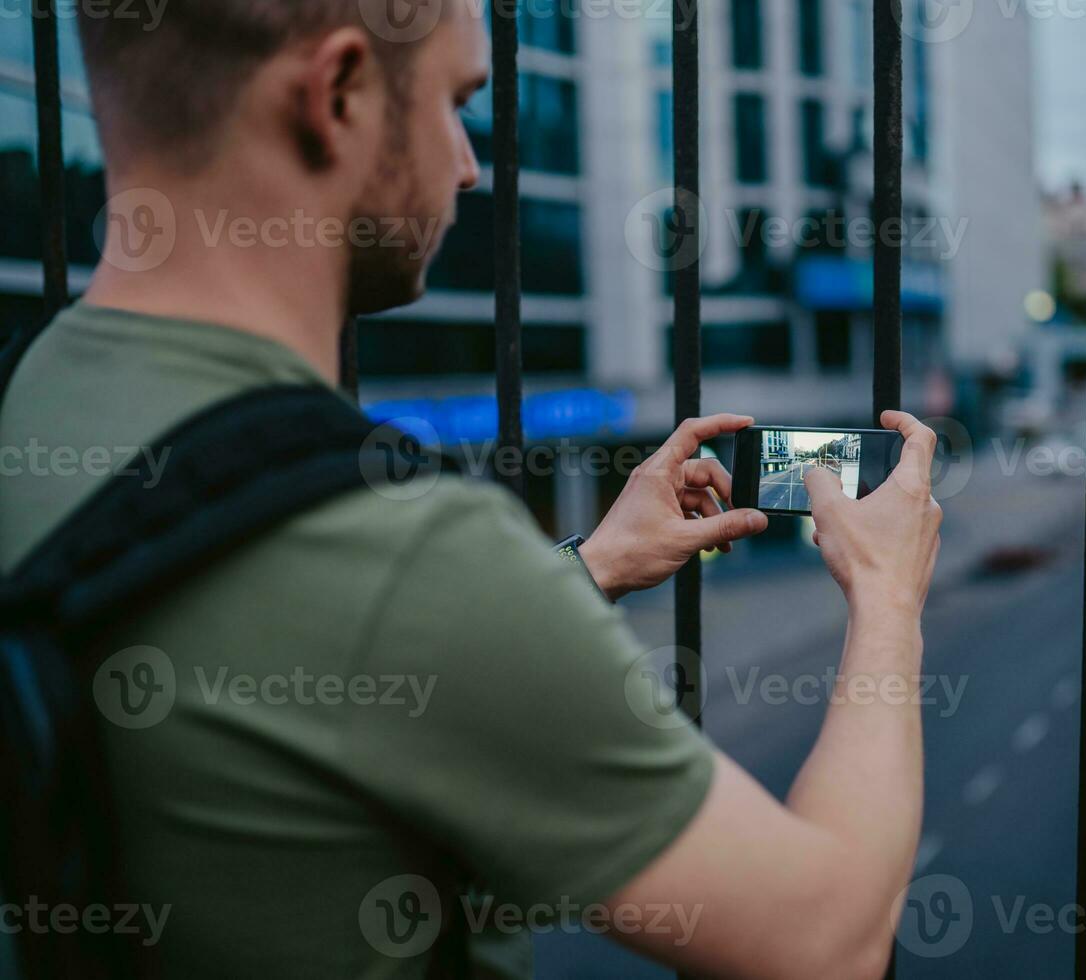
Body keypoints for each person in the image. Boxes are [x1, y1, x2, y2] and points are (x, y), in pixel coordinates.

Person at [0, 1, 942, 977]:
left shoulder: (26, 401)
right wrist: (887, 596)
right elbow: (829, 941)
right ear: (338, 94)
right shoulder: (406, 555)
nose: (466, 162)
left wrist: (596, 563)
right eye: (457, 103)